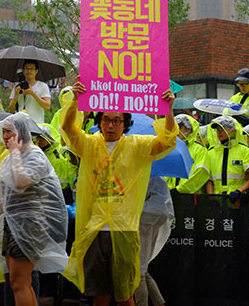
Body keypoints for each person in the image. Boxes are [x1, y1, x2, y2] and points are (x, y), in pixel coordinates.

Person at [60, 77, 178, 306]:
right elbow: (67, 129)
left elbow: (167, 141)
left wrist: (168, 110)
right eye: (106, 119)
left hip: (124, 228)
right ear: (100, 122)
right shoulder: (90, 145)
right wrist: (75, 100)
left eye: (116, 120)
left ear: (125, 124)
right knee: (99, 295)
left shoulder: (137, 146)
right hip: (95, 228)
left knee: (125, 295)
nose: (111, 125)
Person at [0, 112, 68, 306]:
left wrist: (15, 153)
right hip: (12, 225)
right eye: (4, 132)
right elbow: (2, 195)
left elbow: (20, 182)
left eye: (10, 132)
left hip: (30, 226)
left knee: (19, 284)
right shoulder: (8, 159)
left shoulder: (35, 156)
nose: (6, 136)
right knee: (20, 283)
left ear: (21, 133)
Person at [134, 177, 174, 306]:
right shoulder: (157, 174)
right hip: (159, 214)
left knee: (138, 270)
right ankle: (159, 303)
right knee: (143, 268)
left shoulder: (145, 170)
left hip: (146, 215)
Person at [204, 116, 249, 200]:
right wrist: (211, 197)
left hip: (239, 199)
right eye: (217, 129)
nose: (219, 132)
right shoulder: (211, 153)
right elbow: (208, 180)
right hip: (218, 200)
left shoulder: (244, 151)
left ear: (233, 130)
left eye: (222, 128)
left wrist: (239, 192)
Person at [168, 114, 208, 194]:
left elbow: (201, 173)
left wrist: (180, 189)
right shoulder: (172, 147)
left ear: (188, 129)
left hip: (191, 195)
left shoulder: (199, 149)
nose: (176, 130)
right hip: (171, 193)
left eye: (179, 127)